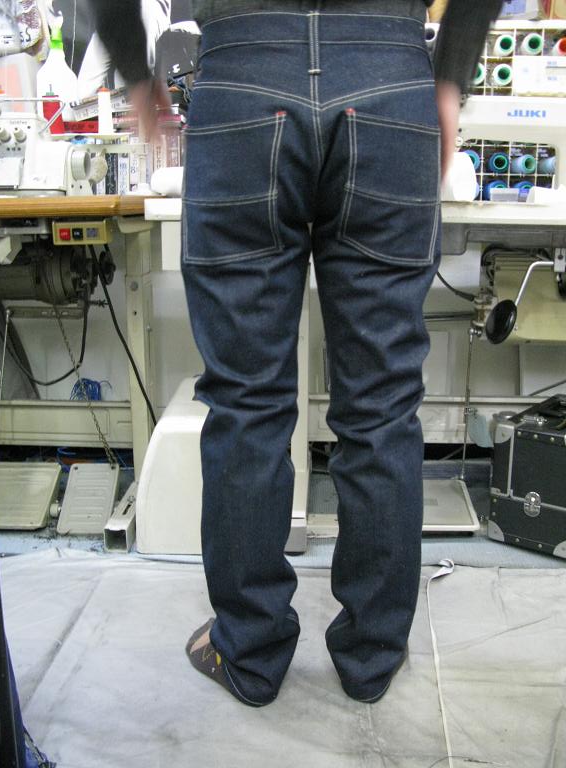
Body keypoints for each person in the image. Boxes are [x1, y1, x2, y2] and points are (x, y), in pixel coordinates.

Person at [90, 0, 502, 706]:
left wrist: (135, 71)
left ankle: (249, 652)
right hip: (389, 79)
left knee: (247, 401)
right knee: (381, 406)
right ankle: (372, 655)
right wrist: (450, 75)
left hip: (244, 81)